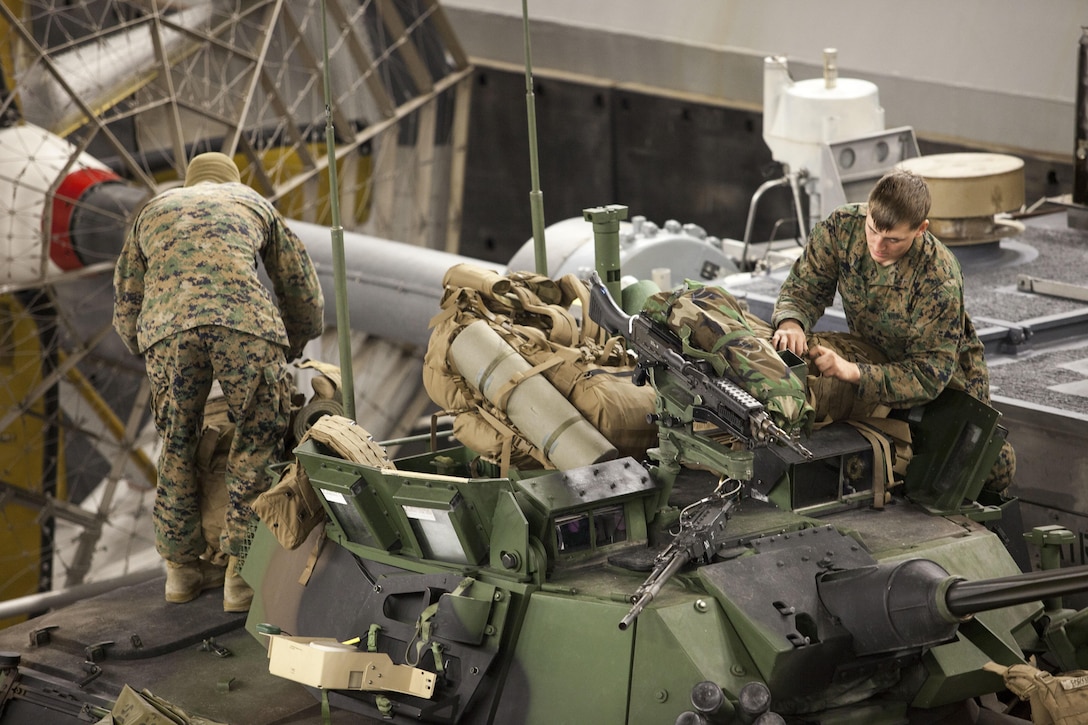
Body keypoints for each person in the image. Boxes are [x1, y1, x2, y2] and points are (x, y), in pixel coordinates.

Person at [113, 152, 324, 611]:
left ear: (189, 182)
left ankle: (181, 572)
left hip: (168, 330)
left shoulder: (153, 210)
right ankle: (239, 575)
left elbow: (127, 302)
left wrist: (147, 346)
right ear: (232, 180)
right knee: (257, 442)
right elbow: (301, 290)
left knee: (177, 444)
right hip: (245, 325)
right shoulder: (253, 203)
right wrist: (294, 343)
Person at [770, 168, 1015, 492]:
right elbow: (803, 288)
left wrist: (855, 373)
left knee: (983, 472)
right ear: (867, 213)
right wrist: (792, 322)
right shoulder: (842, 228)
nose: (878, 245)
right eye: (872, 231)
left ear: (920, 230)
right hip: (874, 353)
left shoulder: (938, 277)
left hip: (944, 382)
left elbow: (928, 375)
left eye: (893, 240)